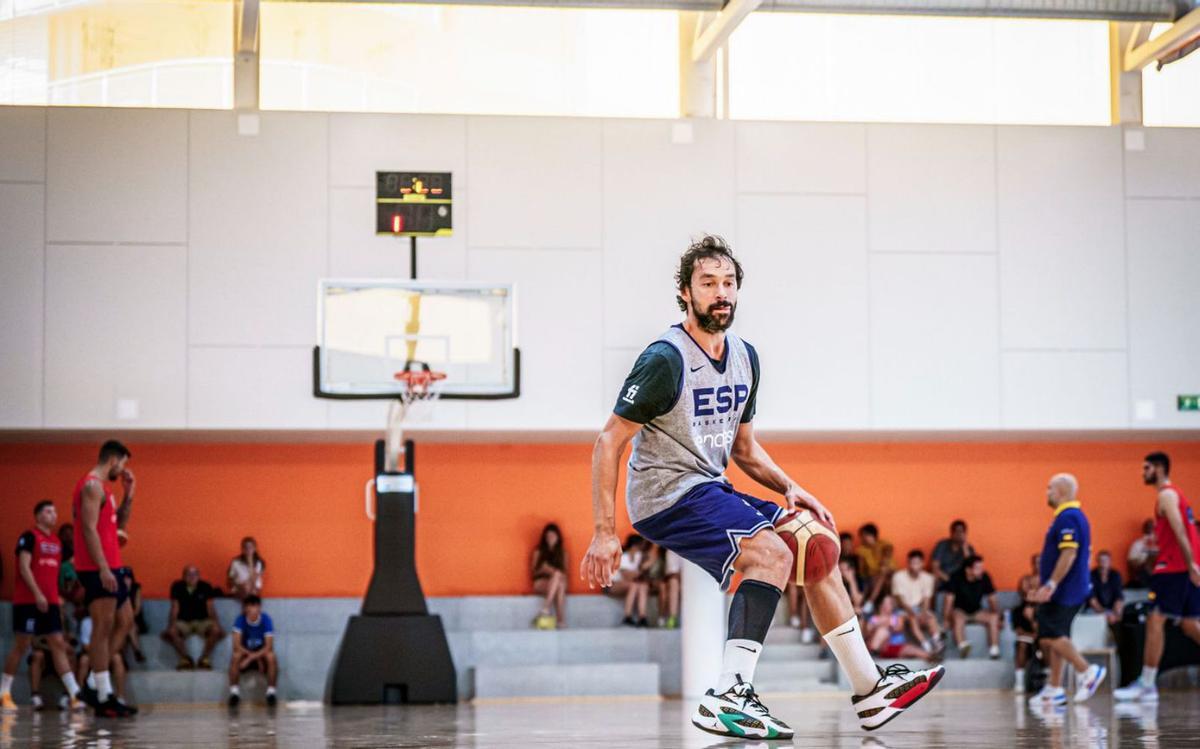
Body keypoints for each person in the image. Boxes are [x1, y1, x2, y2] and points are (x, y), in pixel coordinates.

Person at [580, 237, 943, 738]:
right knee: (771, 553)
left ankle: (871, 690)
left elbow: (744, 450)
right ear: (686, 293)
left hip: (711, 484)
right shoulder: (666, 359)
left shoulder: (746, 358)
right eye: (708, 283)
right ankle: (730, 694)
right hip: (664, 494)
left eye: (728, 283)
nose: (720, 292)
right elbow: (608, 441)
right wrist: (604, 531)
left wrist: (794, 489)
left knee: (814, 545)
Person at [1115, 452, 1200, 702]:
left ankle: (1147, 684)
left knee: (1155, 620)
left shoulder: (1166, 495)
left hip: (1174, 568)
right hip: (1183, 568)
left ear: (1160, 469)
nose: (1143, 473)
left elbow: (1180, 529)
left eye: (1147, 468)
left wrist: (1190, 563)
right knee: (1189, 624)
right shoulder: (1175, 495)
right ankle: (1147, 683)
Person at [1026, 474, 1106, 706]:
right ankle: (1054, 688)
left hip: (1066, 590)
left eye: (1049, 488)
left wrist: (1051, 584)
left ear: (1061, 492)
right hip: (1067, 588)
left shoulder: (1068, 517)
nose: (1047, 492)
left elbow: (1069, 553)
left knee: (1050, 633)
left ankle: (1087, 671)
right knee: (1057, 635)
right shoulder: (1070, 516)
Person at [72, 440, 138, 717]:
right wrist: (102, 567)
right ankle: (103, 693)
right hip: (97, 568)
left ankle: (92, 683)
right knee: (103, 626)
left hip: (113, 565)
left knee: (126, 620)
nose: (122, 469)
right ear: (113, 460)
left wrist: (130, 494)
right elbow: (87, 529)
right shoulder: (91, 486)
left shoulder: (106, 490)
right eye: (122, 464)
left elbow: (119, 524)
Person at [0, 501, 83, 711]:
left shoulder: (56, 542)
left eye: (55, 511)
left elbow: (56, 572)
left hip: (51, 602)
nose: (53, 514)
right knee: (22, 644)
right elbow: (24, 567)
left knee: (58, 643)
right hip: (28, 601)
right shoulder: (28, 537)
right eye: (48, 511)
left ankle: (74, 694)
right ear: (38, 516)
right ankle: (4, 692)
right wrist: (37, 593)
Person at [163, 566, 224, 670]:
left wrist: (217, 624)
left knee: (216, 630)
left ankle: (204, 658)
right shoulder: (177, 586)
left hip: (202, 621)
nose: (192, 577)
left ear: (199, 576)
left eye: (195, 574)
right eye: (188, 574)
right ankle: (185, 659)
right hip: (184, 621)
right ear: (183, 576)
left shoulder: (206, 586)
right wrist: (170, 625)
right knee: (172, 631)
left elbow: (210, 608)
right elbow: (174, 608)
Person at [945, 555, 1000, 659]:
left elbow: (992, 598)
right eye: (978, 568)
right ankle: (963, 646)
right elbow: (949, 600)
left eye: (982, 568)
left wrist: (998, 615)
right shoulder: (956, 577)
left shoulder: (984, 577)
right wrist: (946, 619)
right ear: (968, 570)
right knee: (957, 618)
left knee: (994, 618)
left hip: (977, 611)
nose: (981, 571)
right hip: (960, 611)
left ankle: (994, 649)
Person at [228, 595, 278, 708]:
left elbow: (269, 646)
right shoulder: (240, 620)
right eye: (248, 607)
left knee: (271, 656)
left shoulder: (266, 620)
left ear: (259, 608)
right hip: (245, 652)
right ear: (245, 609)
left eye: (254, 607)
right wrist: (249, 656)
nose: (251, 610)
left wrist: (253, 658)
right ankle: (234, 693)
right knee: (236, 656)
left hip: (259, 653)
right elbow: (236, 645)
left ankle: (271, 693)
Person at [891, 550, 942, 652]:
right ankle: (925, 644)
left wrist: (923, 613)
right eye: (912, 563)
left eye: (917, 563)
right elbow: (900, 601)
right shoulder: (898, 576)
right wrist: (913, 613)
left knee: (930, 618)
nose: (914, 566)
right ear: (908, 563)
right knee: (912, 618)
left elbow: (927, 600)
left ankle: (937, 642)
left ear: (922, 564)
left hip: (919, 608)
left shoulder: (928, 578)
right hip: (902, 610)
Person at [866, 596, 938, 663]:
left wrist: (883, 623)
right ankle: (874, 652)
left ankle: (932, 657)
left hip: (897, 646)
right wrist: (885, 623)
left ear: (892, 607)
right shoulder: (874, 618)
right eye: (884, 603)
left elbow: (899, 628)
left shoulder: (897, 617)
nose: (886, 605)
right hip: (883, 647)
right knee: (882, 631)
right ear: (880, 605)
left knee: (914, 650)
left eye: (889, 603)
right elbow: (868, 631)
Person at [1012, 553, 1041, 694]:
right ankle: (1019, 682)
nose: (1030, 589)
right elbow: (1019, 631)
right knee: (1022, 644)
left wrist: (1032, 619)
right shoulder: (1018, 610)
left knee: (1049, 644)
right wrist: (1033, 634)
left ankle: (1049, 682)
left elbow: (1045, 630)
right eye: (1028, 586)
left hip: (1044, 640)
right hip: (1028, 639)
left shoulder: (1046, 609)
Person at [608, 534, 651, 627]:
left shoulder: (639, 556)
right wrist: (642, 570)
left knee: (643, 586)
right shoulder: (623, 557)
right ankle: (627, 616)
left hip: (631, 583)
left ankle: (642, 616)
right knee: (634, 585)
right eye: (641, 545)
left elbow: (638, 576)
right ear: (634, 546)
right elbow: (627, 576)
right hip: (613, 585)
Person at [531, 523, 568, 629]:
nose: (550, 539)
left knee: (559, 581)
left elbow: (565, 575)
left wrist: (552, 572)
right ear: (545, 538)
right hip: (541, 582)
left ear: (558, 537)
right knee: (558, 579)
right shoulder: (538, 551)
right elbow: (533, 573)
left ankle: (546, 610)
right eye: (548, 536)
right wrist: (543, 570)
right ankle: (560, 619)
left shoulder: (563, 553)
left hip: (558, 583)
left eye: (553, 536)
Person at [856, 524, 894, 610]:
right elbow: (862, 571)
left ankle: (870, 602)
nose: (861, 539)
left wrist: (884, 562)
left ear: (870, 535)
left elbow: (888, 551)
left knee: (885, 573)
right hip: (874, 577)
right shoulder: (861, 550)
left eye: (863, 536)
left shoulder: (883, 544)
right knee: (882, 576)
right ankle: (872, 603)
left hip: (889, 573)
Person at [931, 520, 974, 592]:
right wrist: (948, 579)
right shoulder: (942, 545)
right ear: (951, 533)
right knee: (934, 578)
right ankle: (933, 603)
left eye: (961, 531)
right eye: (956, 531)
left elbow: (971, 568)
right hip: (944, 577)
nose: (959, 534)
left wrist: (964, 548)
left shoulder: (969, 549)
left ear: (965, 533)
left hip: (960, 580)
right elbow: (934, 567)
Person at [1088, 550, 1125, 632]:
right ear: (1097, 562)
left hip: (1112, 608)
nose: (1103, 563)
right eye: (1101, 560)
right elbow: (1092, 600)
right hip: (1094, 609)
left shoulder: (1115, 575)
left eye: (1106, 560)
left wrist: (1116, 613)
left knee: (1121, 613)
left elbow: (1119, 597)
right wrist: (1105, 613)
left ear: (1110, 562)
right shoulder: (1091, 575)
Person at [227, 537, 266, 601]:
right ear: (242, 549)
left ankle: (250, 603)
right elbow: (229, 581)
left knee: (251, 590)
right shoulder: (236, 562)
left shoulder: (259, 563)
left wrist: (250, 563)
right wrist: (239, 586)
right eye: (245, 547)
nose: (248, 549)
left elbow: (254, 581)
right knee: (246, 587)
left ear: (255, 548)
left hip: (254, 590)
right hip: (239, 589)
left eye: (250, 547)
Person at [1126, 519, 1158, 588]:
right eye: (1148, 528)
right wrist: (1144, 561)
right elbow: (1131, 563)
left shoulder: (1161, 544)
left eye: (1152, 528)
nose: (1150, 530)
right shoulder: (1137, 544)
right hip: (1143, 573)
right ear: (1144, 529)